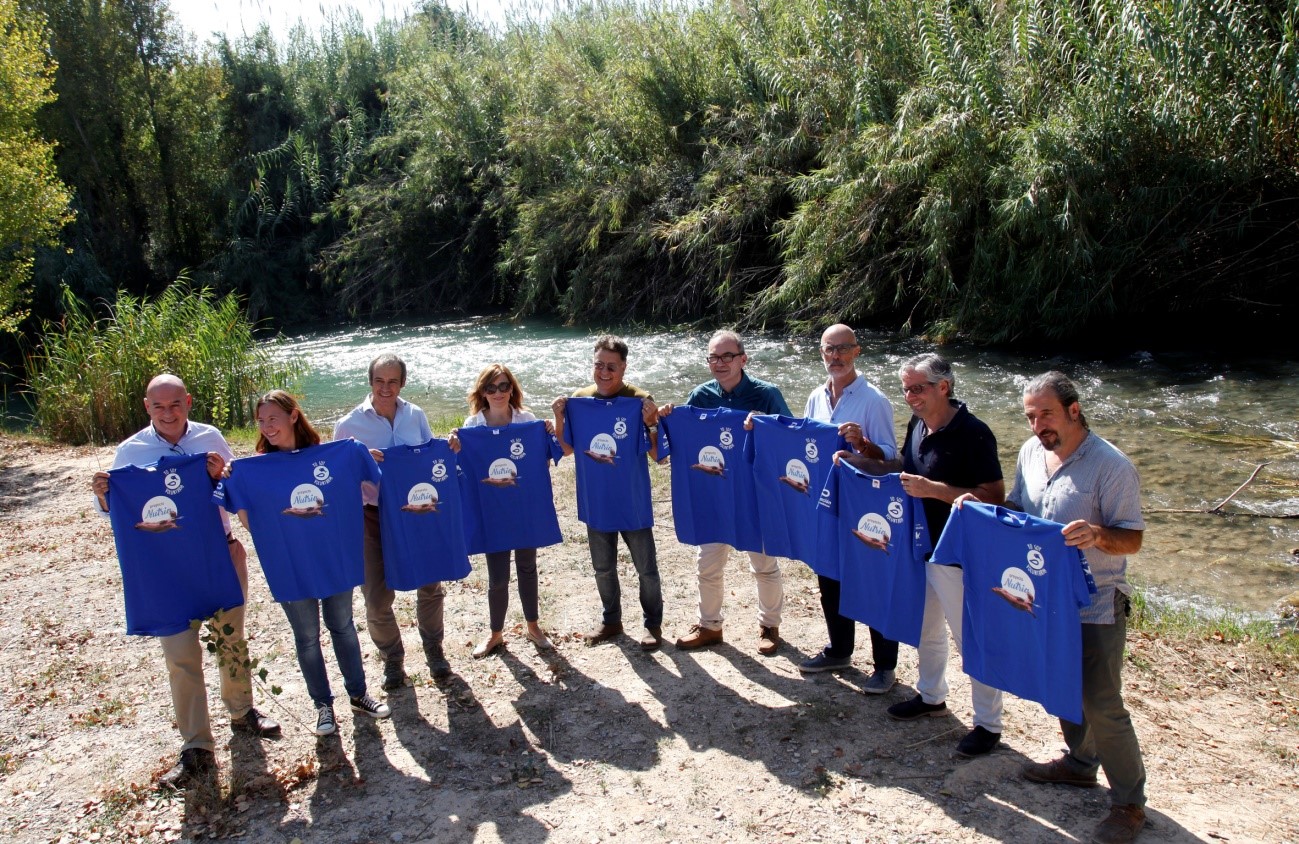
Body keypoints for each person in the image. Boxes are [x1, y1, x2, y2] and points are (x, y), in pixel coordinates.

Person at [960, 372, 1147, 844]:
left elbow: (1134, 538)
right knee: (1062, 686)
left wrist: (1099, 535)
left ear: (1073, 409)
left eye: (1045, 413)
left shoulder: (1111, 466)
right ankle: (1081, 764)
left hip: (1097, 603)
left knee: (1103, 704)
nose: (1037, 423)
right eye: (1030, 416)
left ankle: (1129, 804)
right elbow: (1020, 509)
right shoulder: (1029, 453)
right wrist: (978, 508)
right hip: (1044, 600)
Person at [90, 374, 280, 789]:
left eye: (175, 403)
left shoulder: (210, 438)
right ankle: (196, 745)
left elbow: (235, 490)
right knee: (180, 656)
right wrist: (104, 494)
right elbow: (112, 511)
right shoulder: (129, 451)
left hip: (220, 555)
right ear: (146, 407)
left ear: (188, 402)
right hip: (166, 569)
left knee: (231, 639)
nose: (168, 412)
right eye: (159, 406)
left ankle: (242, 712)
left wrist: (222, 475)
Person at [224, 391, 390, 736]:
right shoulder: (253, 469)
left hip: (334, 556)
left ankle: (359, 694)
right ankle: (322, 706)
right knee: (307, 637)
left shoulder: (333, 455)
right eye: (261, 421)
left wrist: (363, 454)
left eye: (273, 418)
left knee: (343, 626)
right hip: (289, 564)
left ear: (293, 416)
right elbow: (245, 518)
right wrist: (283, 529)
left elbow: (373, 477)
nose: (267, 427)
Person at [881, 354, 1007, 758]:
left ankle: (988, 724)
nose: (910, 396)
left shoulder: (974, 433)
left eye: (917, 388)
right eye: (905, 389)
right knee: (926, 629)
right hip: (921, 545)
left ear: (944, 387)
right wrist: (863, 456)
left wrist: (934, 490)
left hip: (961, 550)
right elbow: (905, 467)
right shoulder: (918, 425)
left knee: (969, 635)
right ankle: (931, 696)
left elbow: (994, 498)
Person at [659, 330, 792, 655]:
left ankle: (770, 626)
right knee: (707, 564)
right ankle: (709, 626)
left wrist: (766, 426)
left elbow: (789, 439)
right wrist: (664, 419)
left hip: (754, 495)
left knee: (763, 564)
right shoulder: (701, 395)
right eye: (713, 357)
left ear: (743, 359)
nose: (719, 363)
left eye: (726, 356)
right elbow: (677, 440)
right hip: (714, 494)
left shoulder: (766, 394)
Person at [334, 353, 450, 688]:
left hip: (417, 516)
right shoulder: (349, 425)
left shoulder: (415, 416)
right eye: (379, 381)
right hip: (372, 519)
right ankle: (393, 659)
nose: (386, 388)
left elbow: (430, 459)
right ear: (370, 382)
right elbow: (337, 482)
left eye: (393, 381)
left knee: (431, 586)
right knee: (376, 597)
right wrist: (359, 463)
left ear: (403, 383)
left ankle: (434, 650)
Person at [797, 324, 902, 694]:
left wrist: (865, 445)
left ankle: (885, 666)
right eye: (829, 349)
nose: (836, 356)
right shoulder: (815, 396)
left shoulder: (874, 400)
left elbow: (891, 460)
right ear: (821, 353)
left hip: (864, 505)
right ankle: (840, 651)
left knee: (871, 580)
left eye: (843, 349)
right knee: (830, 578)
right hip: (826, 502)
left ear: (857, 351)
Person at [551, 336, 665, 650]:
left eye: (611, 366)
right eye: (598, 364)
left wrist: (652, 423)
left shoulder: (639, 399)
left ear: (623, 368)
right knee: (603, 568)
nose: (603, 372)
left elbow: (658, 455)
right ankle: (611, 620)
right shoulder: (580, 399)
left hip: (632, 501)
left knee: (647, 570)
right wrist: (560, 416)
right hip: (596, 500)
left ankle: (652, 624)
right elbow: (566, 448)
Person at [461, 364, 555, 658]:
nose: (498, 393)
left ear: (512, 389)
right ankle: (495, 634)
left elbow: (547, 459)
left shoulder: (527, 420)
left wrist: (549, 430)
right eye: (491, 387)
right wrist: (454, 444)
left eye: (504, 386)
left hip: (523, 508)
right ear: (482, 392)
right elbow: (461, 469)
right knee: (497, 576)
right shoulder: (471, 427)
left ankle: (533, 627)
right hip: (492, 512)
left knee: (527, 567)